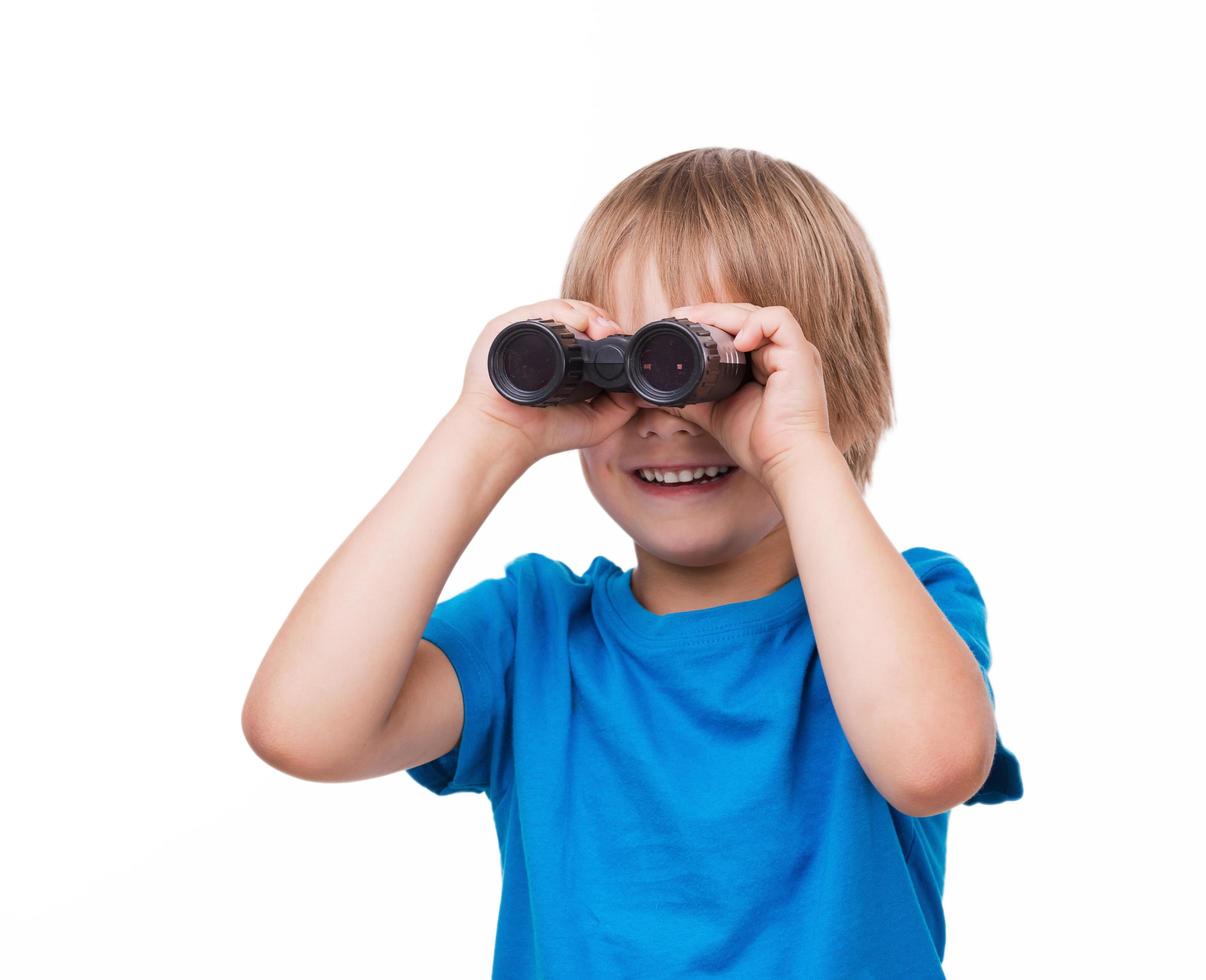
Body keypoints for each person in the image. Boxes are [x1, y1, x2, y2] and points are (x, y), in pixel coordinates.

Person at [243, 146, 1023, 978]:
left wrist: (797, 451)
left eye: (714, 365)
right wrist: (484, 433)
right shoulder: (531, 635)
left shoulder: (909, 603)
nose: (670, 413)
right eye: (630, 366)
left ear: (832, 384)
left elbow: (931, 764)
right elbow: (301, 731)